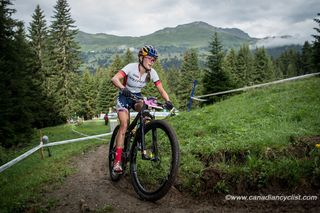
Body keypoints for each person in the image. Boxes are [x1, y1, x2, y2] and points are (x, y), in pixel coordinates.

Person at [111, 45, 173, 173]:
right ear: (141, 58)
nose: (152, 62)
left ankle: (138, 137)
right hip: (124, 96)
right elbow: (115, 78)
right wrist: (123, 88)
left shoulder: (152, 73)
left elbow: (161, 90)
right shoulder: (131, 67)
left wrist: (168, 101)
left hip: (136, 97)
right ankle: (117, 161)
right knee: (123, 125)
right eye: (149, 58)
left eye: (154, 60)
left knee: (145, 111)